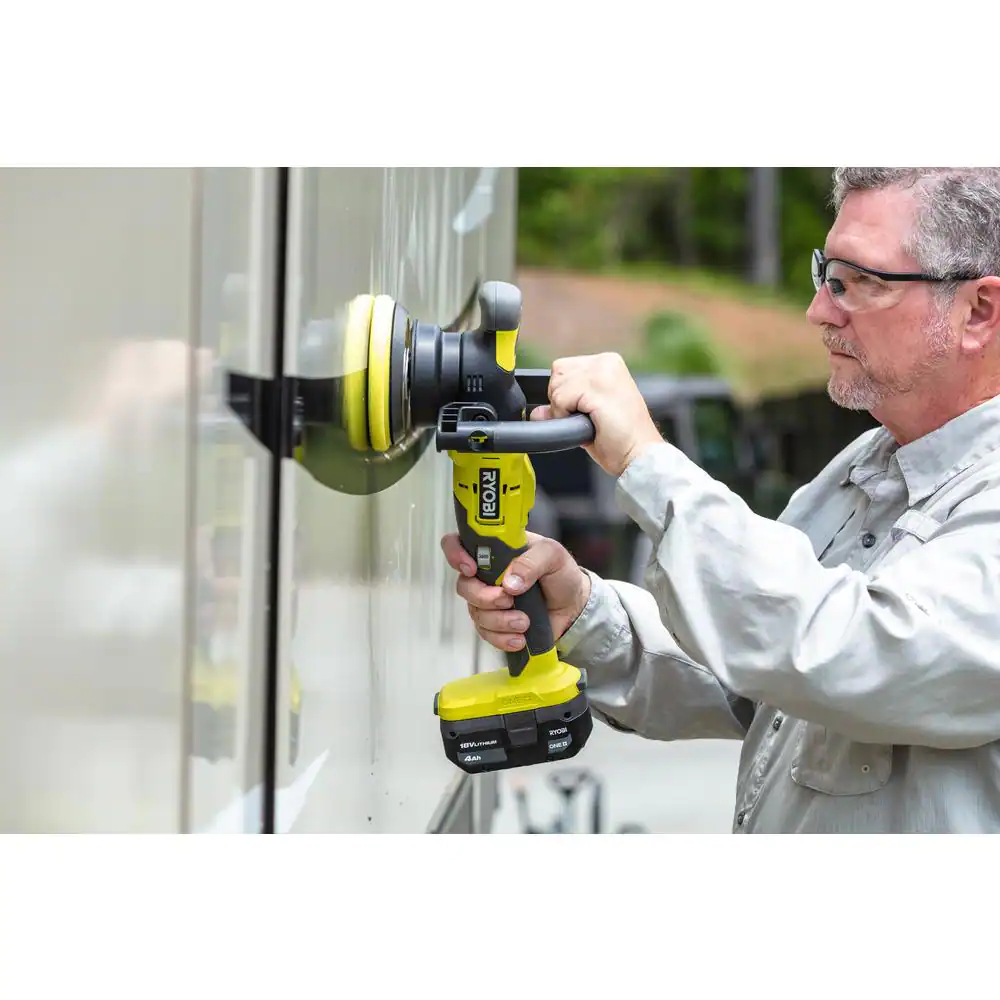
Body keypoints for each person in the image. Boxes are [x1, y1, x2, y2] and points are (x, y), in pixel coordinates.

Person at [441, 167, 1000, 834]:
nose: (820, 311)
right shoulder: (868, 466)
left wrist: (646, 461)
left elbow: (848, 653)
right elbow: (761, 678)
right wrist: (583, 613)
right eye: (826, 275)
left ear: (978, 311)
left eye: (860, 282)